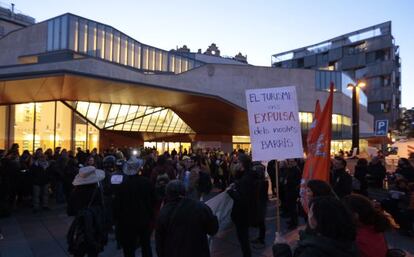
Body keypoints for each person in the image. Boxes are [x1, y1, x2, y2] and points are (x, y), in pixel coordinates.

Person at [273, 196, 357, 257]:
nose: (309, 215)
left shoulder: (313, 252)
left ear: (320, 220)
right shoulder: (348, 243)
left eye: (310, 212)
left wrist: (281, 248)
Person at [155, 180, 218, 257]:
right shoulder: (200, 207)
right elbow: (213, 229)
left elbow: (159, 242)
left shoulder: (163, 212)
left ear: (168, 194)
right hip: (198, 251)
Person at [113, 156, 156, 257]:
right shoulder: (147, 182)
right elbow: (153, 200)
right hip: (144, 218)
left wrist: (116, 219)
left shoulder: (123, 185)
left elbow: (117, 204)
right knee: (146, 245)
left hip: (127, 220)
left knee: (128, 248)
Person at [67, 166, 107, 257]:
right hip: (94, 224)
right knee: (93, 250)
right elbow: (101, 207)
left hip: (80, 226)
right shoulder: (96, 191)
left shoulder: (74, 192)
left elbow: (70, 211)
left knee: (79, 250)